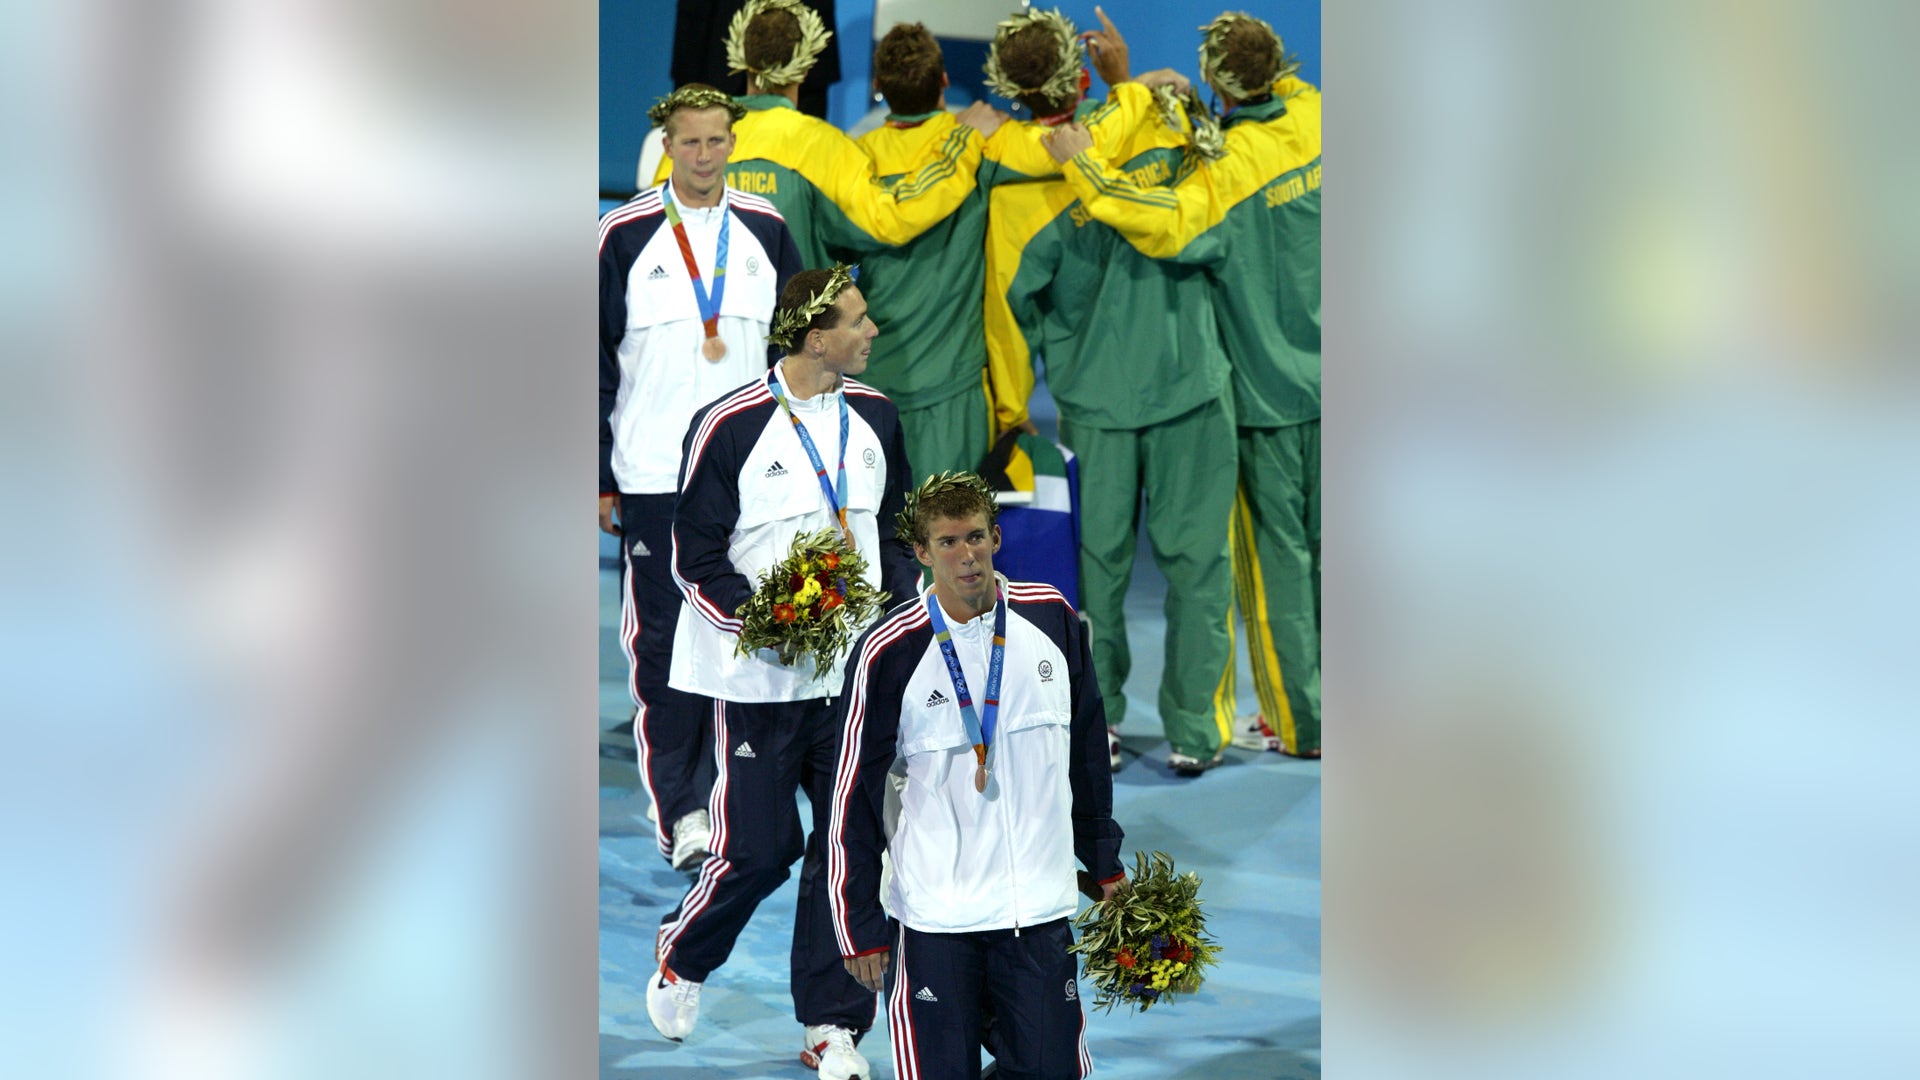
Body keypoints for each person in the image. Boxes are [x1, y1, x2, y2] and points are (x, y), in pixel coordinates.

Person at [651, 266, 920, 1080]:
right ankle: (683, 954)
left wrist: (903, 630)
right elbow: (693, 558)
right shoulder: (729, 425)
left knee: (849, 853)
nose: (873, 331)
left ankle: (831, 1026)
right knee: (764, 849)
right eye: (858, 320)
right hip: (761, 681)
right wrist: (767, 626)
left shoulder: (876, 414)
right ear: (815, 337)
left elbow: (900, 535)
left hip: (854, 677)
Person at [1045, 12, 1323, 758]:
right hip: (1269, 384)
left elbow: (1149, 227)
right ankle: (1213, 730)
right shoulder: (1290, 123)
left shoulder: (1213, 172)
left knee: (1245, 571)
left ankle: (1290, 722)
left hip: (1195, 397)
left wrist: (1109, 118)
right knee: (1260, 564)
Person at [980, 7, 1240, 777]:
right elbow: (1211, 227)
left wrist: (1010, 414)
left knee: (1097, 577)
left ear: (1012, 90)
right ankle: (1196, 731)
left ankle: (1104, 723)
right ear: (1083, 68)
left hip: (1096, 406)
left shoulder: (1013, 186)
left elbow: (1005, 314)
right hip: (1192, 384)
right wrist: (1133, 81)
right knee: (1200, 568)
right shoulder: (1148, 119)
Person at [825, 471, 1125, 1079]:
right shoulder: (888, 652)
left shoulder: (1052, 619)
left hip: (1037, 910)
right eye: (948, 543)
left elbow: (1087, 753)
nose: (967, 557)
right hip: (938, 918)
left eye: (976, 538)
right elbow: (850, 796)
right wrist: (857, 920)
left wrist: (1105, 861)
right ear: (921, 551)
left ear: (996, 537)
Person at [600, 83, 804, 869]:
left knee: (755, 635)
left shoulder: (765, 229)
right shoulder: (623, 235)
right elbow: (589, 360)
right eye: (691, 143)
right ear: (665, 146)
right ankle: (683, 807)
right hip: (652, 475)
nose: (706, 156)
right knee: (662, 645)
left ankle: (745, 794)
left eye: (719, 142)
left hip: (750, 477)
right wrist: (595, 471)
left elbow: (793, 349)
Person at [644, 0, 1004, 275]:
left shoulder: (689, 145)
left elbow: (653, 243)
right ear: (809, 62)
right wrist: (964, 142)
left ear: (739, 55)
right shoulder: (826, 146)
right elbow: (891, 220)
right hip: (789, 355)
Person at [854, 23, 994, 484]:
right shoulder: (982, 147)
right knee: (952, 546)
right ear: (945, 81)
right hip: (951, 389)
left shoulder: (854, 158)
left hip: (870, 382)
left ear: (877, 87)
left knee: (868, 543)